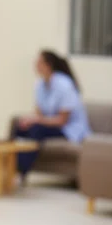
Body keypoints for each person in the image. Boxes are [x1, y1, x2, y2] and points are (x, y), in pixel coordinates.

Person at [14, 49, 92, 180]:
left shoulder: (64, 85)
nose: (35, 65)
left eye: (39, 62)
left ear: (48, 65)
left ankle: (21, 171)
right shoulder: (39, 85)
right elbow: (39, 113)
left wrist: (36, 121)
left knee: (36, 130)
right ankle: (11, 166)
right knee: (19, 127)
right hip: (52, 125)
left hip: (69, 129)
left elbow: (62, 121)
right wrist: (28, 119)